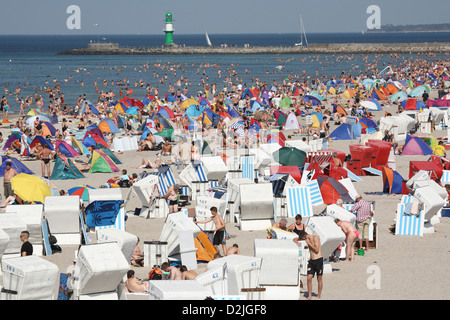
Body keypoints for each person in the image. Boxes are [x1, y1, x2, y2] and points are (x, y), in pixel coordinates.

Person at [293, 230, 323, 300]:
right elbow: (294, 239)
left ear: (305, 236)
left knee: (319, 279)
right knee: (309, 278)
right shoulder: (305, 238)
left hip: (318, 260)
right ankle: (309, 295)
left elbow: (316, 249)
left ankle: (319, 294)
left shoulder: (315, 238)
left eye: (304, 239)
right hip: (311, 261)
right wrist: (296, 242)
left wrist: (309, 243)